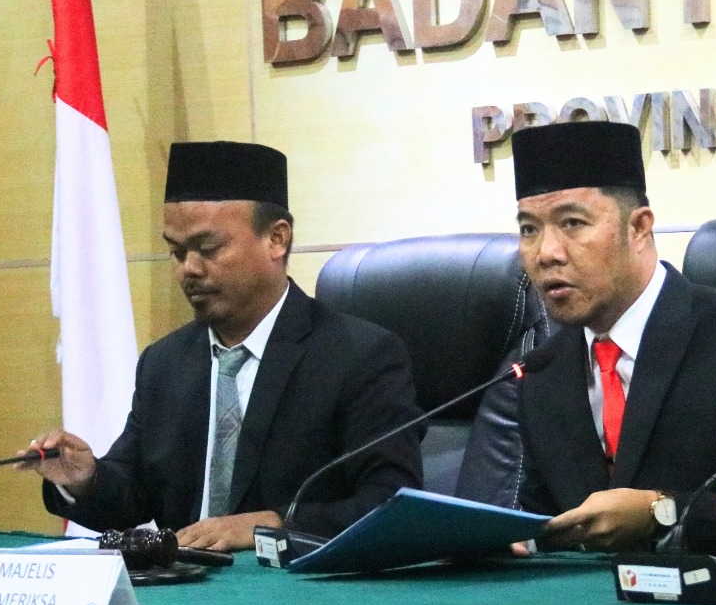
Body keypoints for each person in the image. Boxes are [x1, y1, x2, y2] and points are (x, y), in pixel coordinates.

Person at [24, 141, 422, 551]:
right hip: (185, 582)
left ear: (276, 239)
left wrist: (274, 524)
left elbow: (391, 502)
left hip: (290, 584)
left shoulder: (359, 356)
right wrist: (84, 478)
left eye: (208, 249)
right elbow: (132, 495)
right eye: (177, 252)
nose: (189, 269)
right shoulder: (164, 363)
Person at [510, 121, 716, 557]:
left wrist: (661, 512)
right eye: (529, 229)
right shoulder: (543, 369)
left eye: (573, 223)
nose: (546, 253)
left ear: (639, 228)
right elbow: (542, 521)